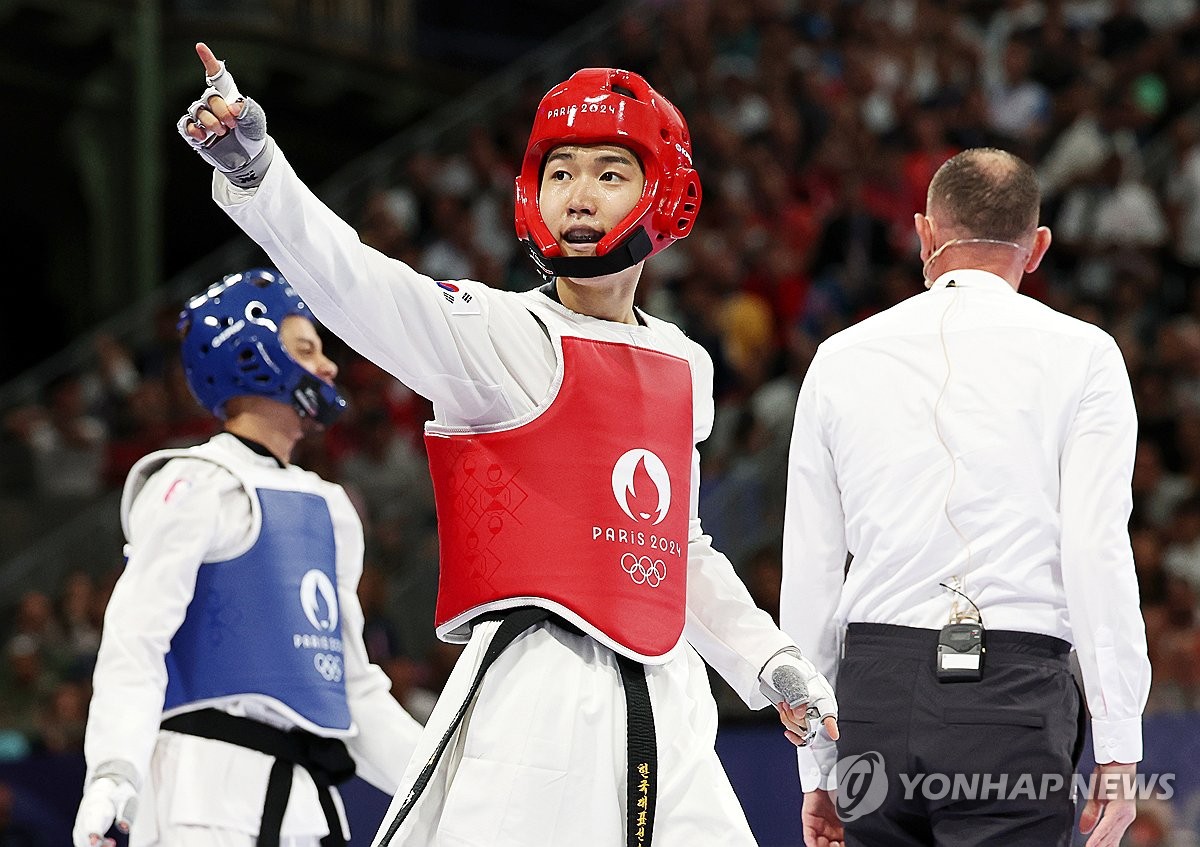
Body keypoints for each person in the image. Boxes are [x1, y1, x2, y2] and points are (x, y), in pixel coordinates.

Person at [176, 43, 839, 847]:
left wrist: (769, 661)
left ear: (663, 194)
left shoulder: (685, 365)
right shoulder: (499, 332)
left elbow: (673, 547)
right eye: (560, 173)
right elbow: (358, 283)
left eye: (608, 171)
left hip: (671, 699)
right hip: (536, 696)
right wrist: (259, 175)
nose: (579, 195)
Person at [780, 147, 1152, 847]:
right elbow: (1096, 551)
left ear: (924, 233)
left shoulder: (840, 358)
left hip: (873, 697)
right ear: (1036, 247)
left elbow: (811, 567)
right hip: (1010, 698)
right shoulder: (1085, 355)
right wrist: (1120, 740)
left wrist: (816, 765)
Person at [72, 268, 423, 847]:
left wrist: (457, 782)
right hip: (198, 796)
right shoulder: (196, 484)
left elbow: (352, 691)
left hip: (308, 807)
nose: (329, 367)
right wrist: (113, 772)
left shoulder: (330, 508)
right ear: (254, 356)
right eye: (307, 348)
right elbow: (135, 641)